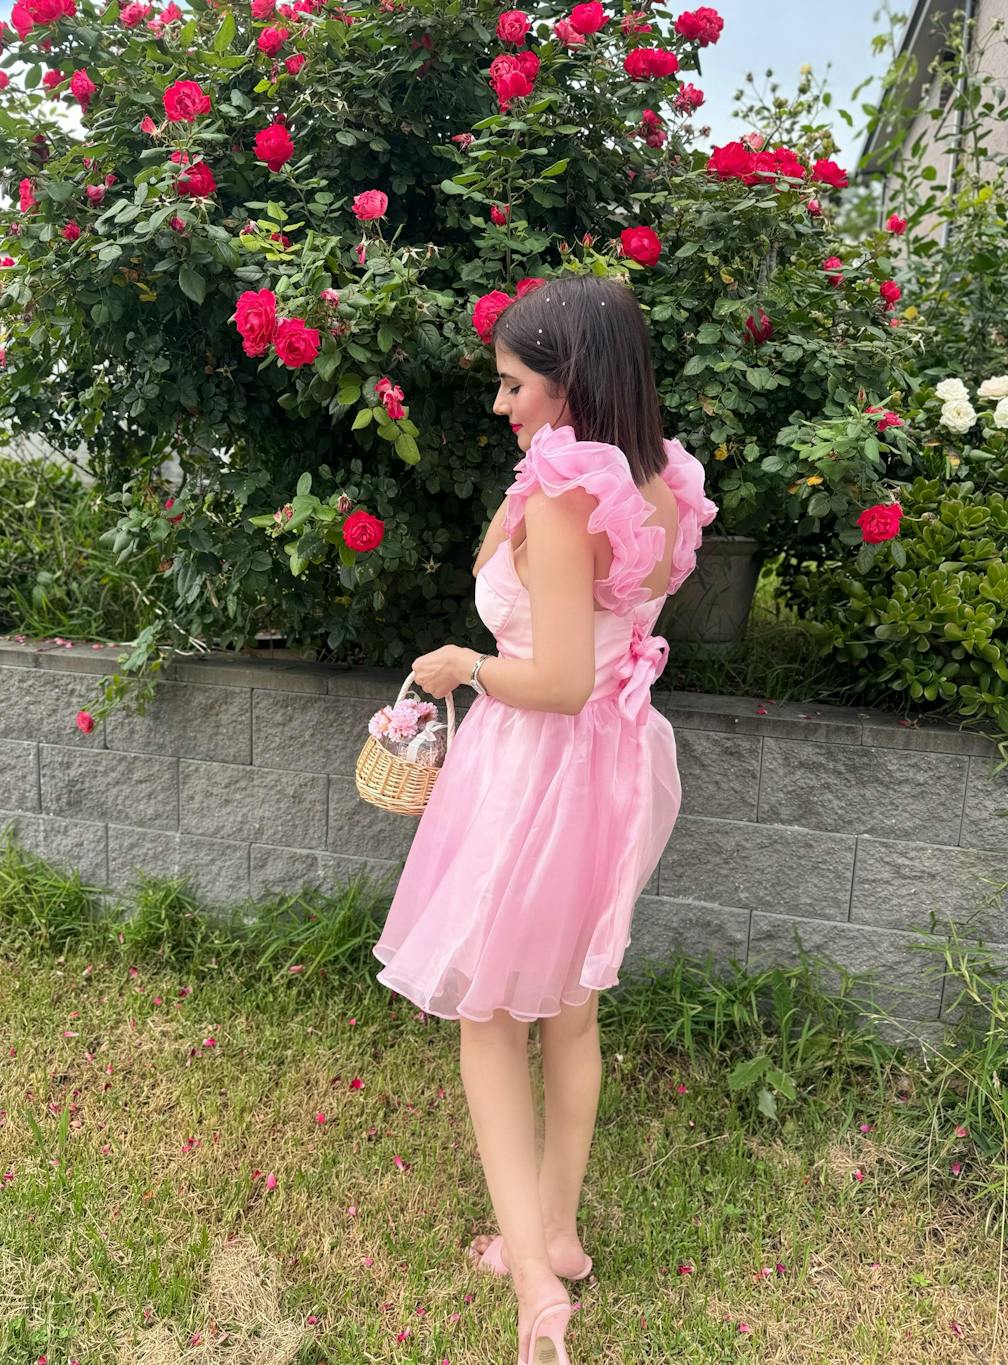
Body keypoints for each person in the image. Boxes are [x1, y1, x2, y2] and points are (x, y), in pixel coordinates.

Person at [370, 272, 718, 1365]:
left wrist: (463, 663)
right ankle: (556, 1232)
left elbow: (559, 679)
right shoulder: (656, 482)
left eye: (515, 383)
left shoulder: (569, 501)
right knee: (569, 1009)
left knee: (490, 1016)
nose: (500, 402)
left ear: (570, 384)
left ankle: (533, 1283)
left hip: (540, 770)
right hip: (611, 767)